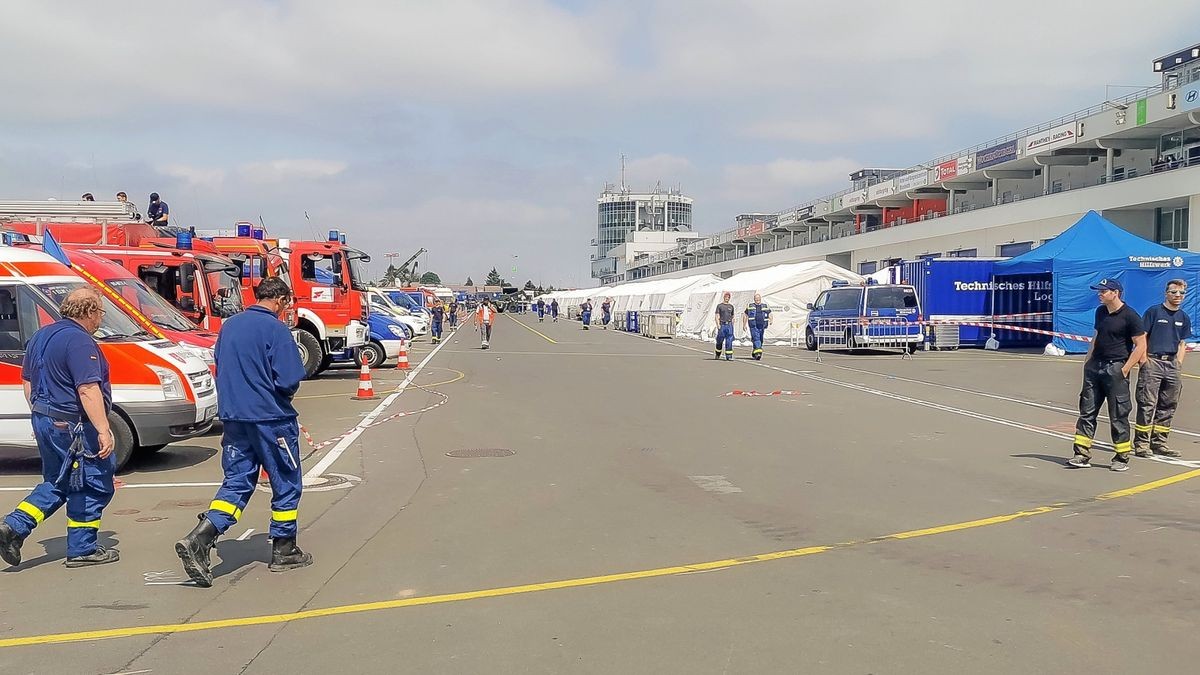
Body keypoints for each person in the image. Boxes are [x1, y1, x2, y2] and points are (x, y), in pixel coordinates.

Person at [174, 277, 309, 587]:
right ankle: (284, 549)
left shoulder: (230, 326)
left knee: (237, 482)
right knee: (286, 480)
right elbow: (289, 378)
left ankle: (201, 537)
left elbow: (220, 365)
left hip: (235, 419)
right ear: (281, 301)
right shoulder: (276, 329)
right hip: (270, 419)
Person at [0, 288, 119, 569]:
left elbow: (27, 381)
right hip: (73, 425)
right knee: (94, 482)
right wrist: (103, 430)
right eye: (99, 313)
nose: (100, 319)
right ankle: (82, 548)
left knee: (58, 481)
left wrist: (41, 417)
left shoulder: (41, 336)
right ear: (89, 312)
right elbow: (88, 389)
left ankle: (15, 526)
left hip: (45, 418)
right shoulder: (80, 342)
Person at [1068, 278, 1146, 472]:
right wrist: (1088, 362)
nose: (1099, 294)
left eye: (1103, 291)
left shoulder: (1130, 316)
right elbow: (1096, 337)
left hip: (1115, 368)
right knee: (1087, 411)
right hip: (1095, 368)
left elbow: (1141, 345)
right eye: (1099, 291)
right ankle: (1081, 454)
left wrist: (1125, 369)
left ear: (1115, 293)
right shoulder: (1101, 312)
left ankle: (1121, 457)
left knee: (1118, 414)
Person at [1133, 279, 1191, 458]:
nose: (1178, 296)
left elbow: (1182, 343)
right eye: (1174, 292)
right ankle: (1141, 444)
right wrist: (1144, 359)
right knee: (1147, 404)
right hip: (1153, 362)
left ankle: (1159, 442)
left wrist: (1178, 363)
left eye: (1181, 293)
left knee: (1168, 405)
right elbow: (1142, 336)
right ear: (1166, 293)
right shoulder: (1154, 312)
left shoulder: (1183, 317)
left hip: (1172, 364)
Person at [744, 292, 772, 360]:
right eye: (756, 299)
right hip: (753, 325)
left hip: (762, 325)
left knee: (760, 339)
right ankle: (758, 354)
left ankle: (755, 351)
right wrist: (744, 324)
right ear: (754, 299)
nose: (757, 300)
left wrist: (771, 320)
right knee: (756, 338)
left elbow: (770, 313)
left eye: (758, 298)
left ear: (760, 299)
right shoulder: (750, 306)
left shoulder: (764, 306)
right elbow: (745, 315)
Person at [715, 291, 735, 361]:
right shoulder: (720, 306)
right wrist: (718, 324)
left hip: (729, 325)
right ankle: (718, 353)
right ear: (724, 297)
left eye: (728, 297)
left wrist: (732, 325)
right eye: (726, 297)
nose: (727, 298)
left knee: (729, 340)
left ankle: (729, 356)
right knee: (719, 340)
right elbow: (717, 315)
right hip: (722, 324)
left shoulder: (731, 306)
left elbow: (732, 316)